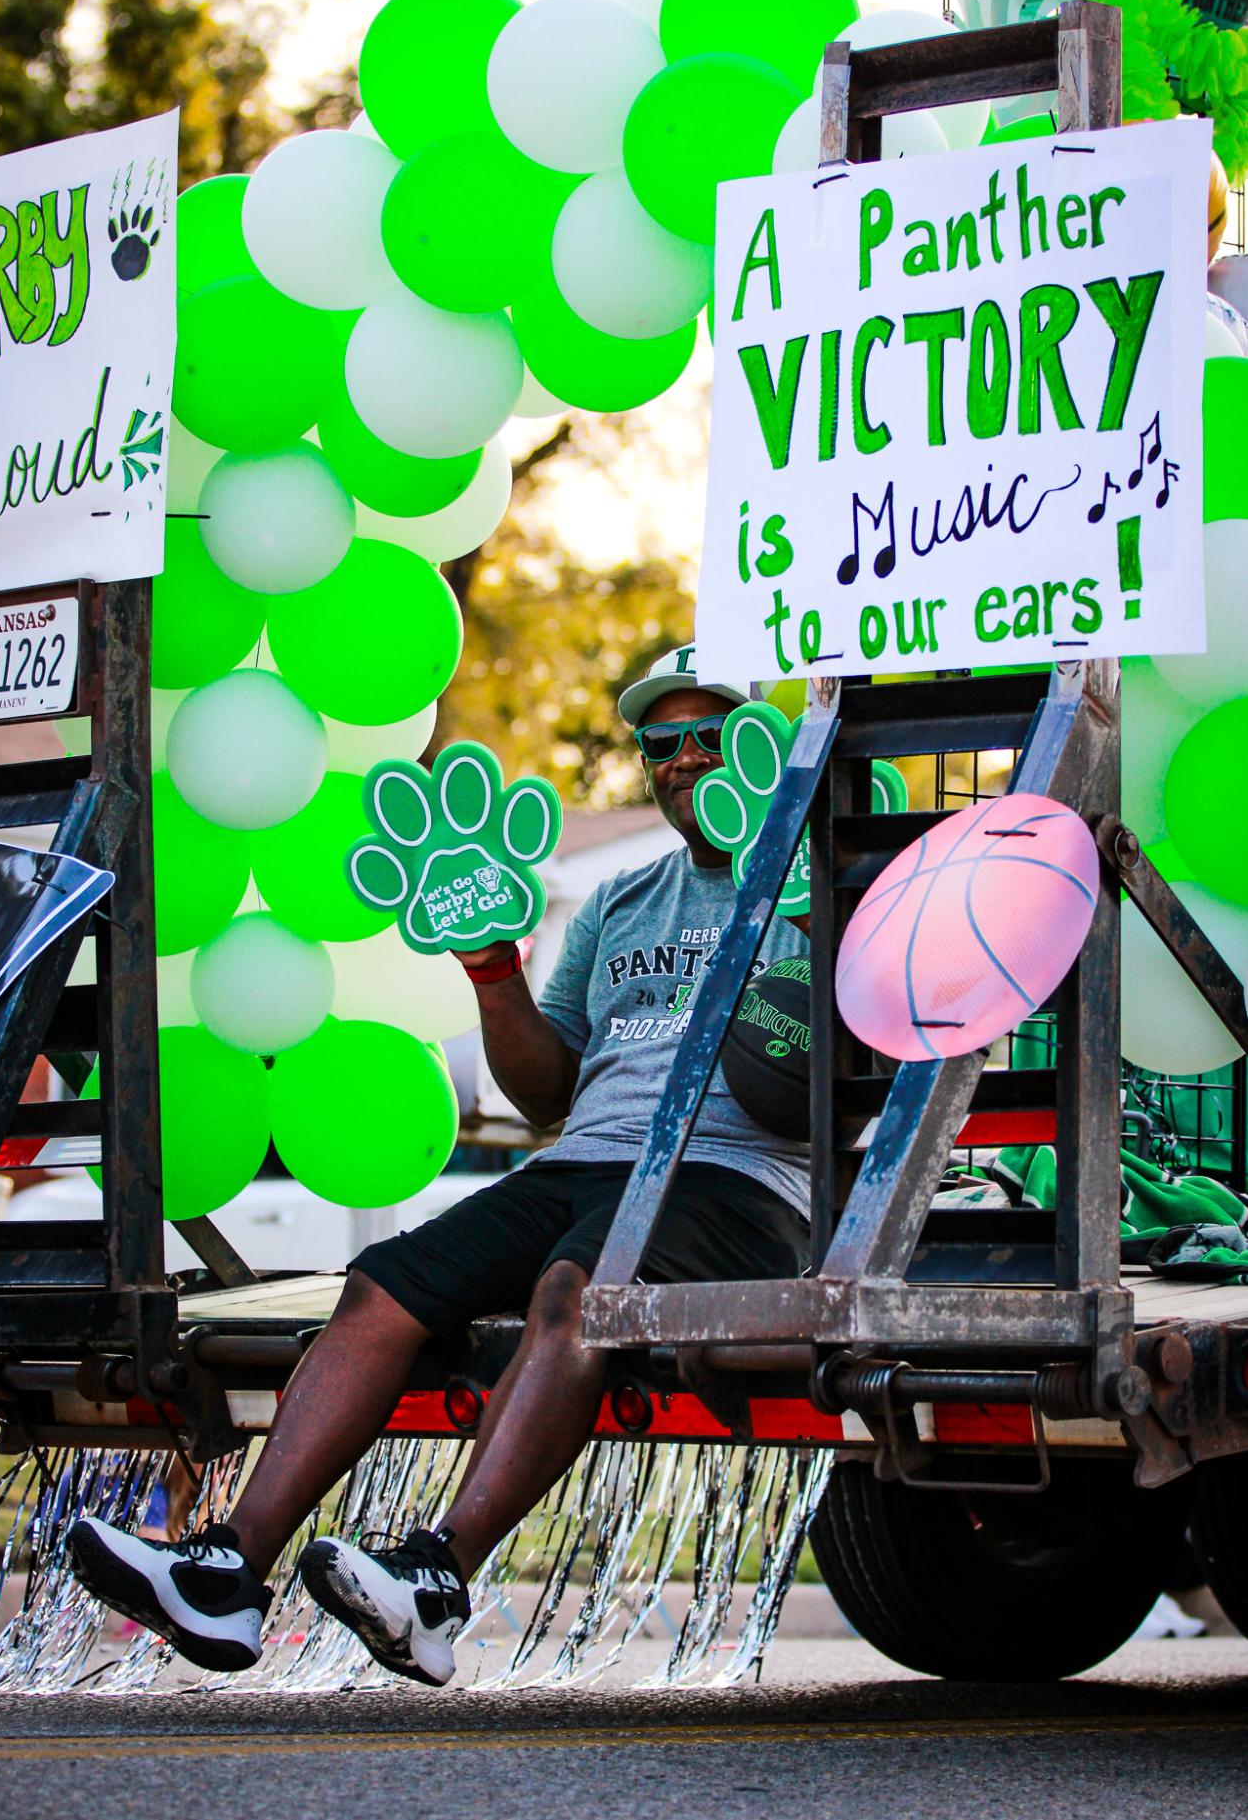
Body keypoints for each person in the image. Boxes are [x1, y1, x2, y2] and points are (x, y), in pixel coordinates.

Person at [68, 643, 812, 1685]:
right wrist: (492, 971)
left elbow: (825, 1080)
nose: (682, 758)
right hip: (588, 1162)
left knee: (573, 1290)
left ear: (759, 744)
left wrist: (796, 914)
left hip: (733, 1180)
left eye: (708, 735)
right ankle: (227, 1574)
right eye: (660, 740)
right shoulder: (618, 902)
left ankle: (434, 1583)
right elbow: (545, 1094)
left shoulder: (813, 876)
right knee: (380, 1289)